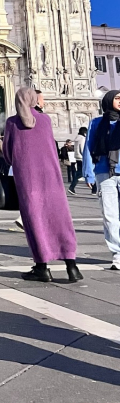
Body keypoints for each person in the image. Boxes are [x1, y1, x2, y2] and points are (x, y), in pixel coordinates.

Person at [3, 87, 82, 282]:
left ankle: (42, 267)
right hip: (52, 177)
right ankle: (72, 266)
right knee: (59, 218)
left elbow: (7, 153)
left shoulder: (12, 123)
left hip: (28, 179)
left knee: (35, 219)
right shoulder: (45, 120)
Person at [83, 91, 120, 270]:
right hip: (104, 173)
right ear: (108, 101)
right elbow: (88, 147)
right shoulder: (97, 123)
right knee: (109, 215)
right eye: (117, 98)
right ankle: (118, 253)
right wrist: (88, 173)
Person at [68, 127, 88, 194]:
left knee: (80, 173)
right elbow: (82, 149)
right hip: (82, 158)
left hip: (77, 157)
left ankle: (94, 188)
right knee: (81, 173)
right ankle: (71, 187)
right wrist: (86, 156)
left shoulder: (77, 138)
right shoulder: (82, 139)